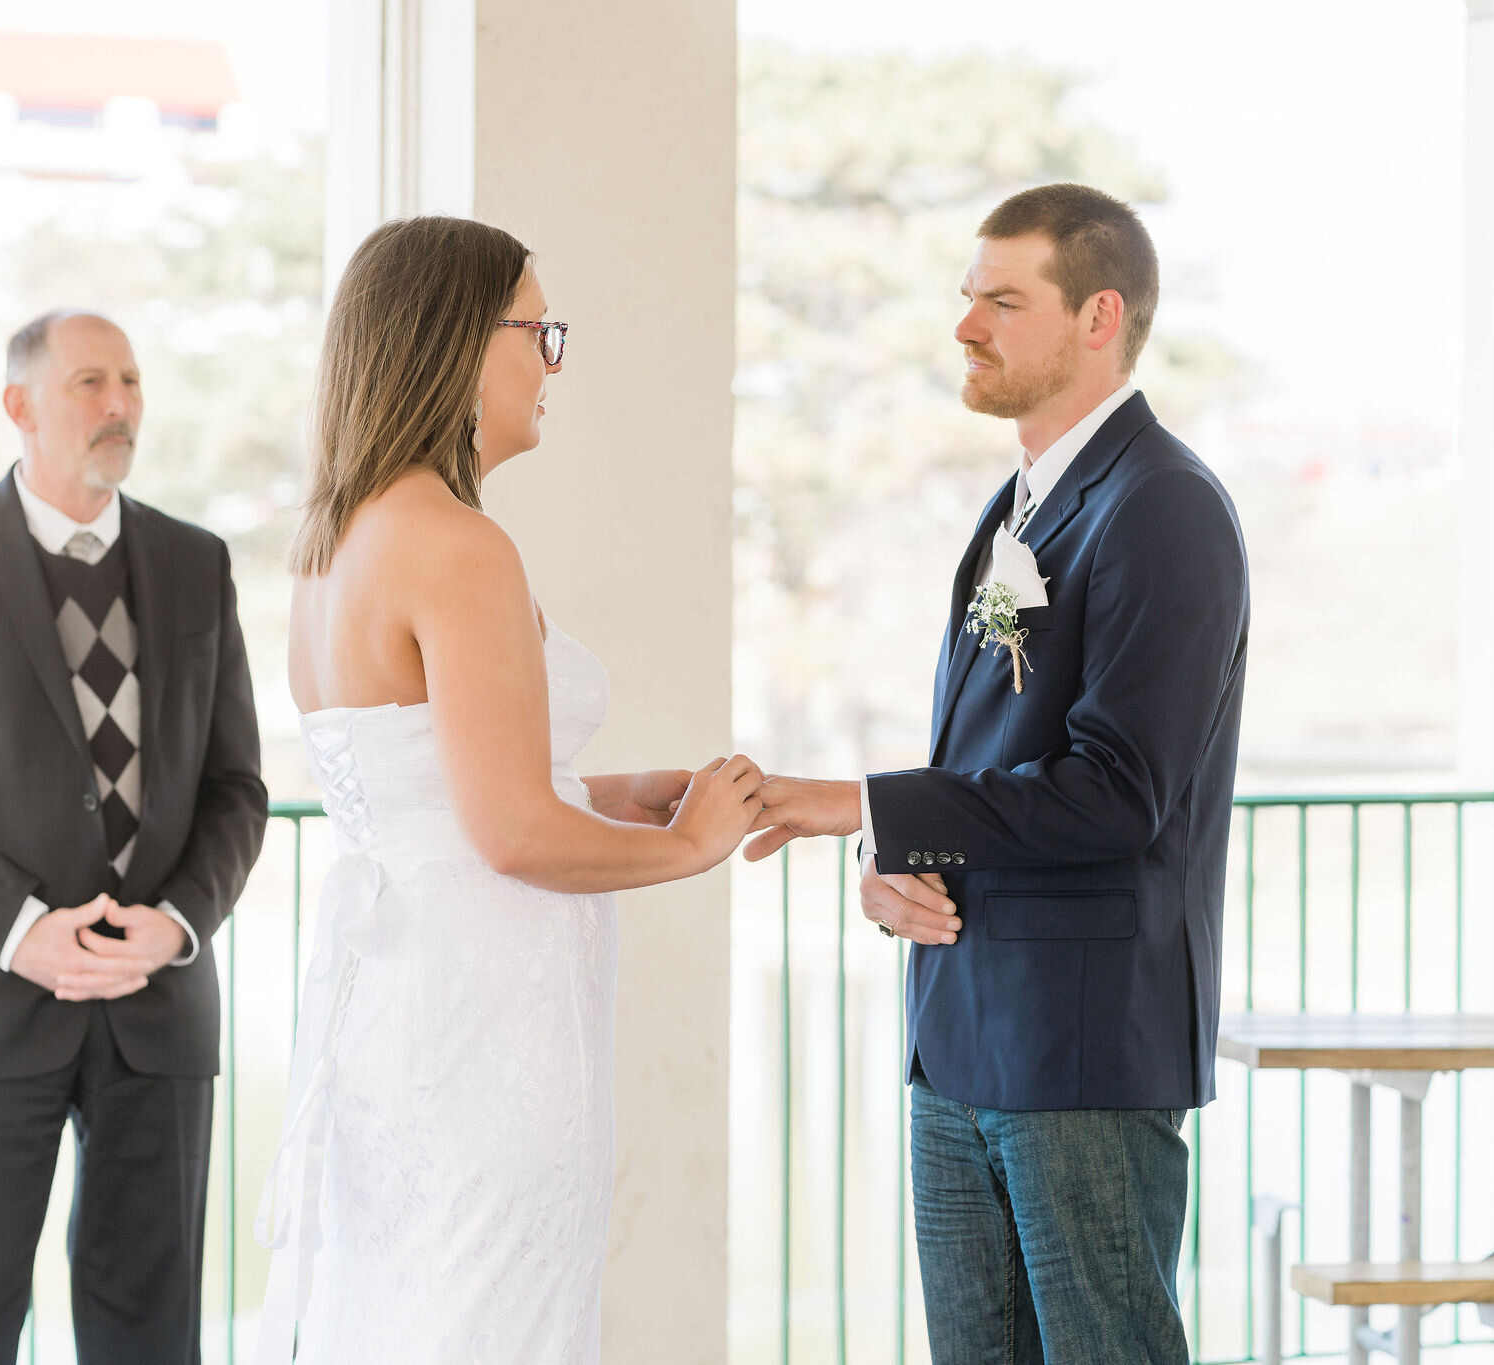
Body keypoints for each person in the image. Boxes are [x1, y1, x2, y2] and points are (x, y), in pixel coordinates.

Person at [750, 183, 1250, 1363]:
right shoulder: (1013, 508)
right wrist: (893, 862)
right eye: (965, 298)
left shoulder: (1163, 506)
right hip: (958, 1036)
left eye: (1000, 300)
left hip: (1078, 1048)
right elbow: (990, 768)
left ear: (1097, 316)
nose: (964, 326)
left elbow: (1118, 795)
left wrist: (857, 803)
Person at [253, 216, 762, 1364]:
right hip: (489, 1022)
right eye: (538, 329)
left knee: (417, 1302)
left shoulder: (331, 547)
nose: (552, 362)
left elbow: (431, 783)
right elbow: (510, 832)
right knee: (492, 1318)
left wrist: (618, 793)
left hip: (403, 1013)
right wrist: (691, 848)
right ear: (453, 340)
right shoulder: (457, 544)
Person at [0, 308, 269, 1364]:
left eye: (130, 380)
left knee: (151, 1340)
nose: (119, 404)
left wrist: (177, 926)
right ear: (18, 406)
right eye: (89, 382)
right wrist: (20, 929)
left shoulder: (195, 563)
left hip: (157, 1011)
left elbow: (236, 790)